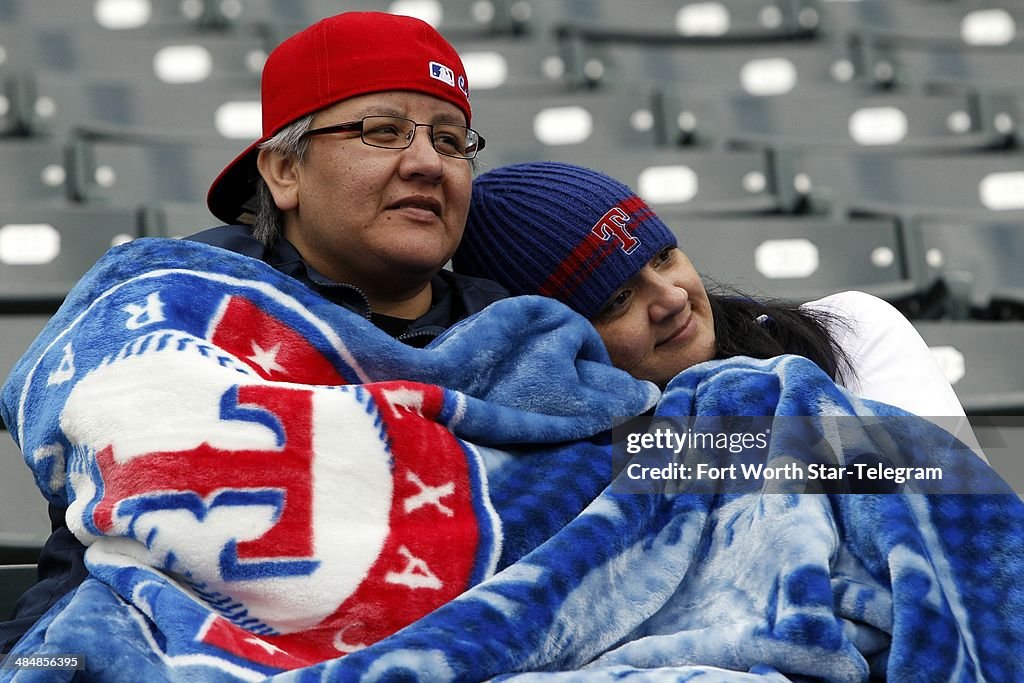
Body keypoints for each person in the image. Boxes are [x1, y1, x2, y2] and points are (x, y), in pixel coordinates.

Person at [0, 10, 508, 655]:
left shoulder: (522, 330)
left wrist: (681, 372)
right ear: (283, 172)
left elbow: (646, 477)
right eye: (382, 132)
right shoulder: (175, 307)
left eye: (451, 140)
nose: (427, 164)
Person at [453, 160, 975, 421]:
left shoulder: (850, 331)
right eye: (617, 300)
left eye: (663, 257)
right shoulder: (580, 471)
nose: (674, 297)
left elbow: (958, 515)